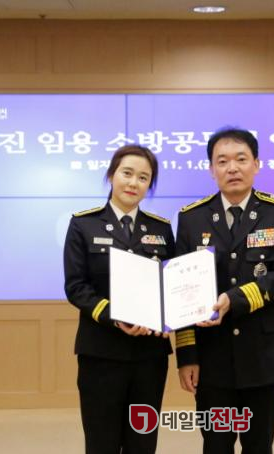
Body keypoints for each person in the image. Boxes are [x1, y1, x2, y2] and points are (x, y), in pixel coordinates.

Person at [175, 128, 274, 454]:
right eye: (222, 161)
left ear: (256, 164)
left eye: (241, 159)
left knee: (259, 445)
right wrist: (186, 357)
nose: (232, 168)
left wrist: (234, 300)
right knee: (215, 444)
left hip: (263, 355)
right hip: (211, 358)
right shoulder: (191, 218)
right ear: (211, 169)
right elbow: (181, 291)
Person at [64, 144, 175, 454]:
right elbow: (76, 286)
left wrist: (169, 315)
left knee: (143, 442)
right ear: (112, 175)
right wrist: (115, 315)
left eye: (143, 177)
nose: (133, 183)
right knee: (102, 441)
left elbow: (172, 284)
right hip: (101, 352)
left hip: (149, 356)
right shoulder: (83, 224)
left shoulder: (162, 229)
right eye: (127, 173)